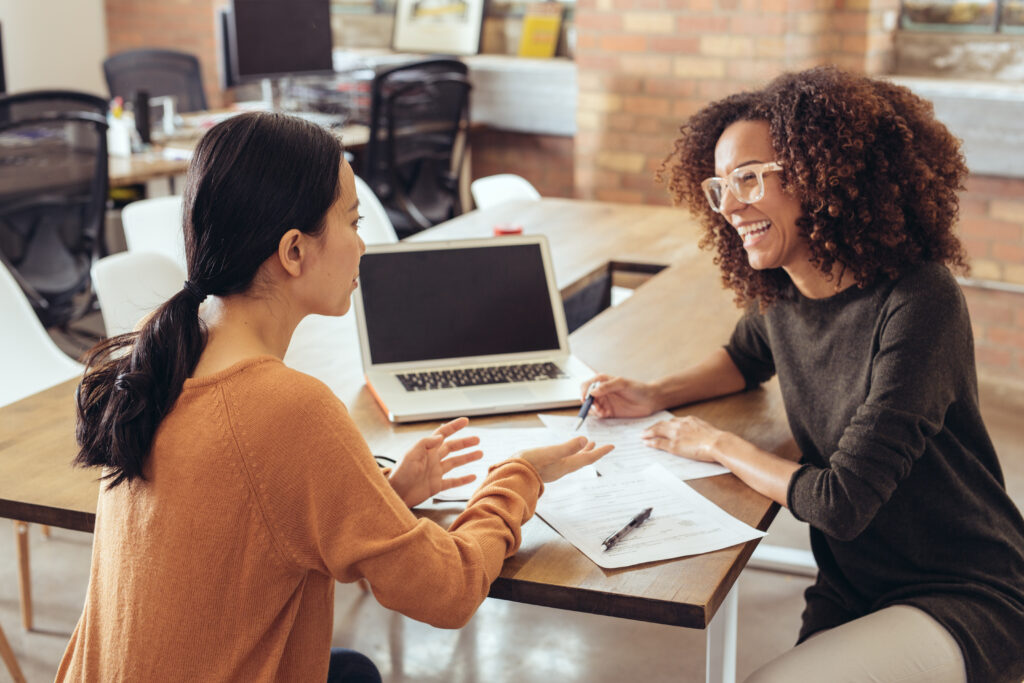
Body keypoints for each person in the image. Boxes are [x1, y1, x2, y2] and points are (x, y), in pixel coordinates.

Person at [59, 111, 613, 682]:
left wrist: (386, 496)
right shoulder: (286, 406)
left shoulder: (165, 355)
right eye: (353, 221)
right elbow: (446, 592)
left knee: (351, 671)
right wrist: (518, 477)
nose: (363, 246)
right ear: (294, 251)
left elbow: (257, 528)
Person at [583, 67, 1024, 683]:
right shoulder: (786, 290)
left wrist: (714, 443)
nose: (731, 205)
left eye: (750, 178)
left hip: (960, 590)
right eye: (720, 185)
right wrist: (653, 394)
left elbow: (839, 502)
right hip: (853, 584)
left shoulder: (920, 300)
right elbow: (743, 358)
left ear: (821, 177)